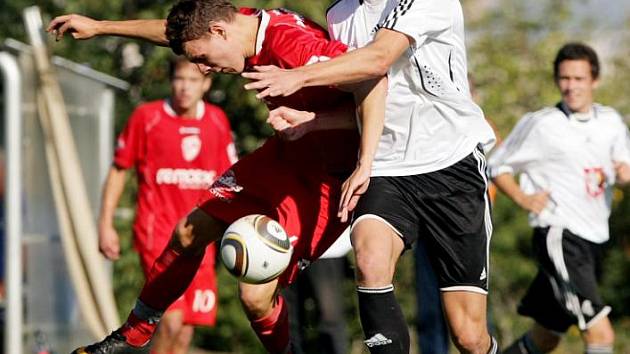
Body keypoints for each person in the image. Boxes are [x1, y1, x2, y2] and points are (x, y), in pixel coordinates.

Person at [48, 1, 387, 353]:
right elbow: (175, 32)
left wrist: (321, 127)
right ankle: (133, 332)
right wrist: (100, 26)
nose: (204, 70)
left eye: (204, 59)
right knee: (188, 231)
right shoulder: (237, 25)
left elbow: (377, 86)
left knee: (254, 296)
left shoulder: (294, 47)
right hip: (284, 157)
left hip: (325, 179)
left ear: (220, 33)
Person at [241, 1, 500, 353]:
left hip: (451, 164)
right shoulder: (339, 15)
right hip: (386, 167)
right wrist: (314, 121)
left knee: (469, 336)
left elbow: (378, 58)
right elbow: (366, 98)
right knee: (369, 260)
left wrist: (297, 76)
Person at [489, 42, 630, 354]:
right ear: (557, 80)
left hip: (594, 240)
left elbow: (625, 168)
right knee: (601, 335)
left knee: (546, 336)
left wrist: (622, 173)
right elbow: (496, 165)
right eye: (565, 79)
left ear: (595, 80)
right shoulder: (542, 123)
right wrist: (523, 198)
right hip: (559, 236)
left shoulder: (610, 122)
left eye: (579, 79)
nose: (571, 87)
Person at [97, 56, 236, 354]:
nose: (185, 87)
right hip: (156, 234)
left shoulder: (216, 121)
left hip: (200, 237)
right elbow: (120, 169)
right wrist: (105, 223)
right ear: (171, 81)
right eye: (180, 79)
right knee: (170, 321)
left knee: (185, 332)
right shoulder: (147, 118)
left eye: (193, 80)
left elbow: (231, 178)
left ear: (207, 84)